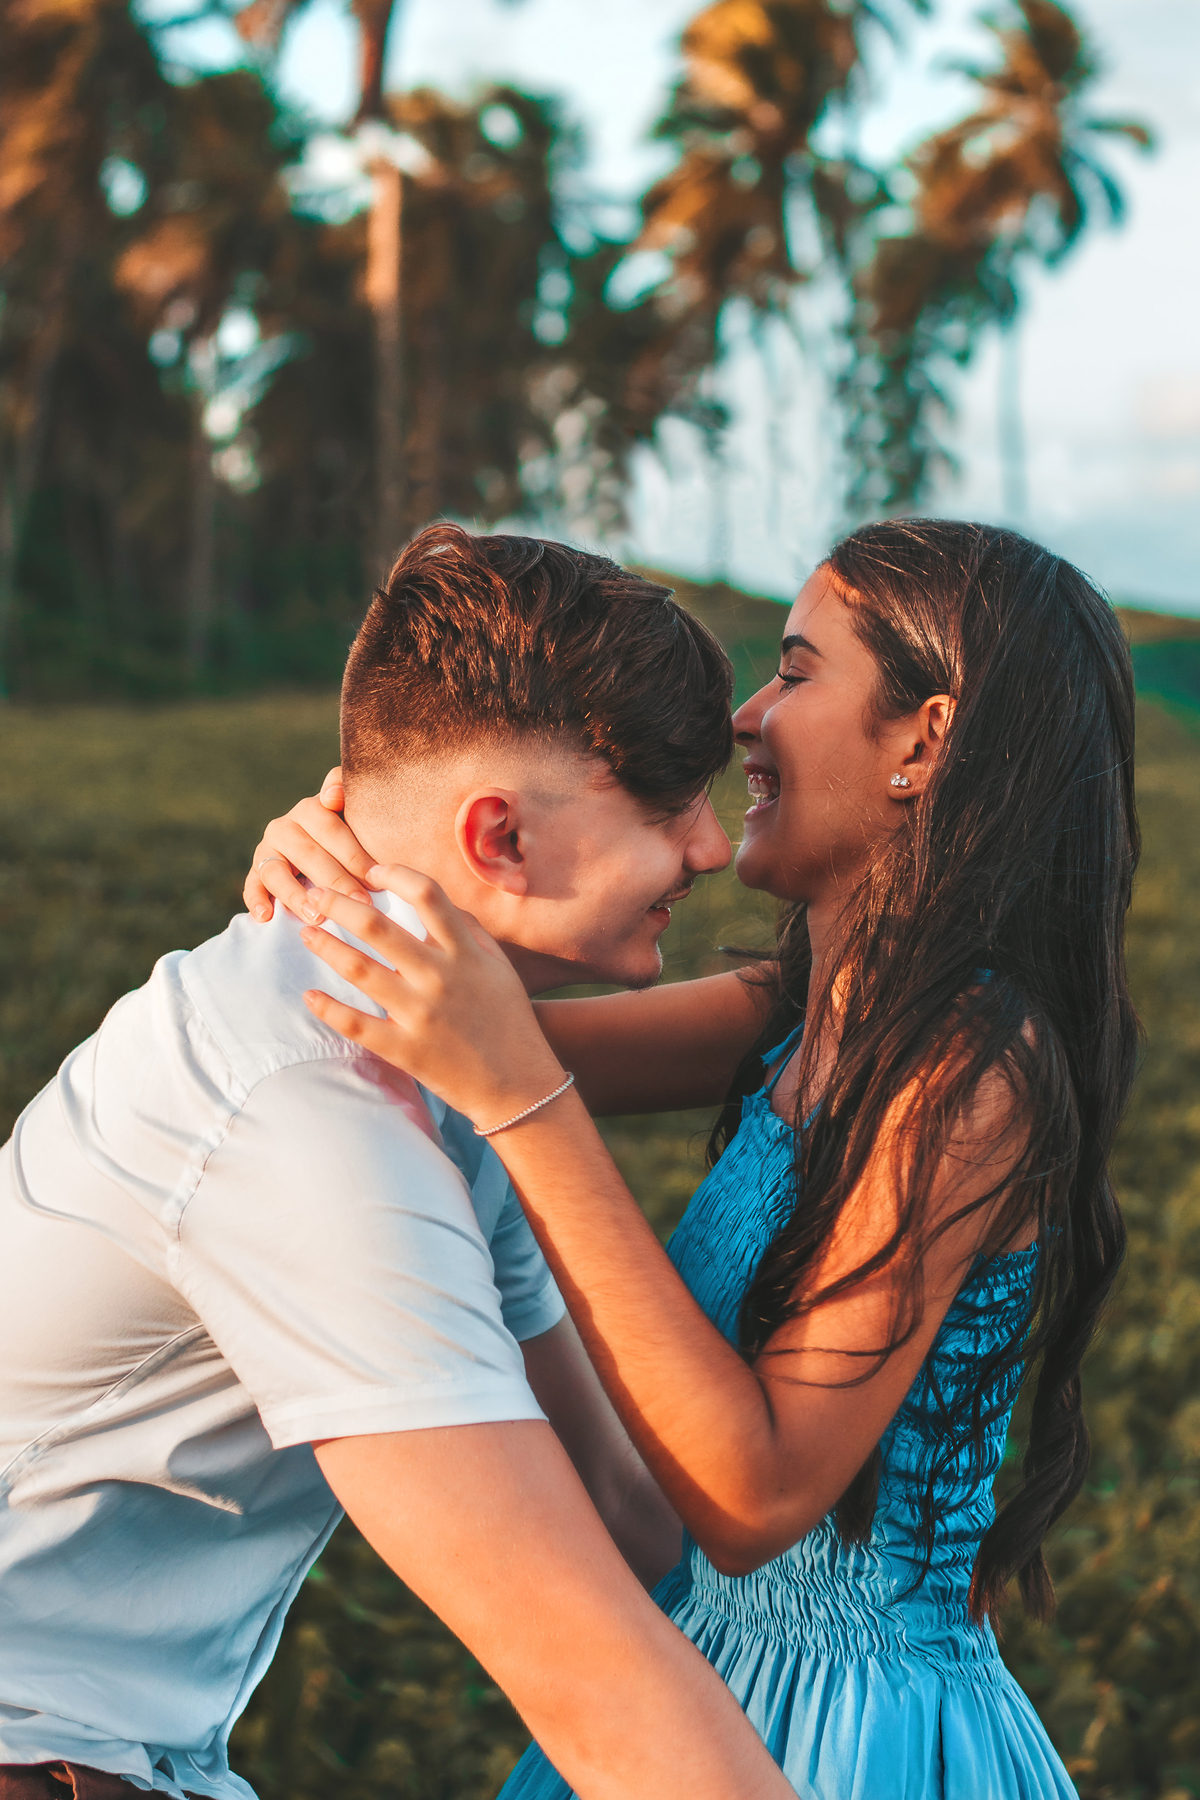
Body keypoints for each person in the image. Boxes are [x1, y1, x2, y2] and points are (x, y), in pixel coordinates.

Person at [250, 518, 1139, 1798]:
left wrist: (524, 1098)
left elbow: (756, 1493)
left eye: (795, 670)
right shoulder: (801, 1007)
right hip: (701, 1668)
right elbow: (440, 1028)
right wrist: (340, 866)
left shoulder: (969, 1072)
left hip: (850, 1731)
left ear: (922, 743)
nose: (745, 717)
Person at [0, 527, 800, 1800]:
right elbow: (584, 1673)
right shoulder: (304, 1108)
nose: (705, 849)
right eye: (666, 800)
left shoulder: (435, 1056)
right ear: (499, 839)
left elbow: (616, 1504)